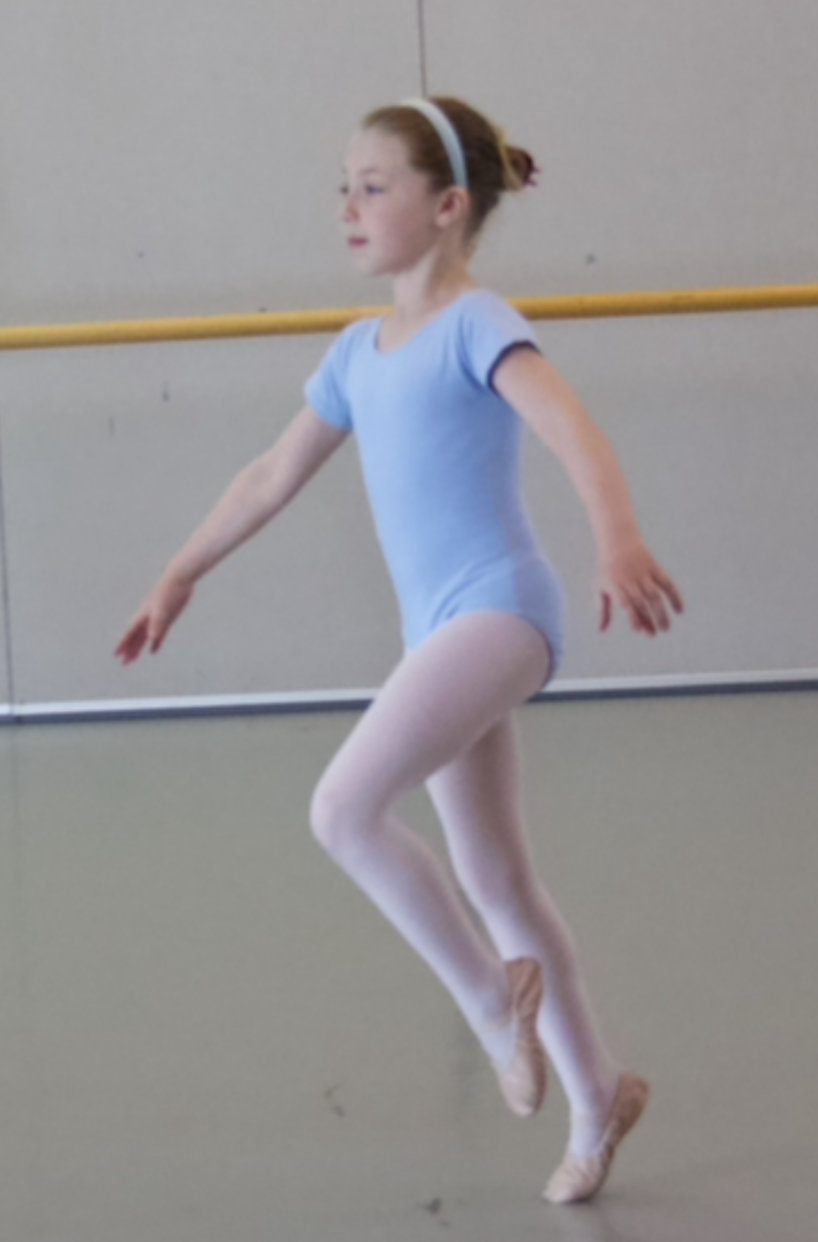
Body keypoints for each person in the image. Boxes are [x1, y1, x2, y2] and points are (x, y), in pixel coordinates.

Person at [116, 96, 683, 1205]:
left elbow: (569, 426)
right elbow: (269, 476)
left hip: (501, 612)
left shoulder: (477, 323)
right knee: (499, 881)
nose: (349, 204)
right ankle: (597, 1093)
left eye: (373, 185)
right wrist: (181, 571)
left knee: (340, 808)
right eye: (343, 183)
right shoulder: (355, 353)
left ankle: (487, 1000)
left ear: (445, 206)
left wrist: (616, 537)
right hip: (442, 631)